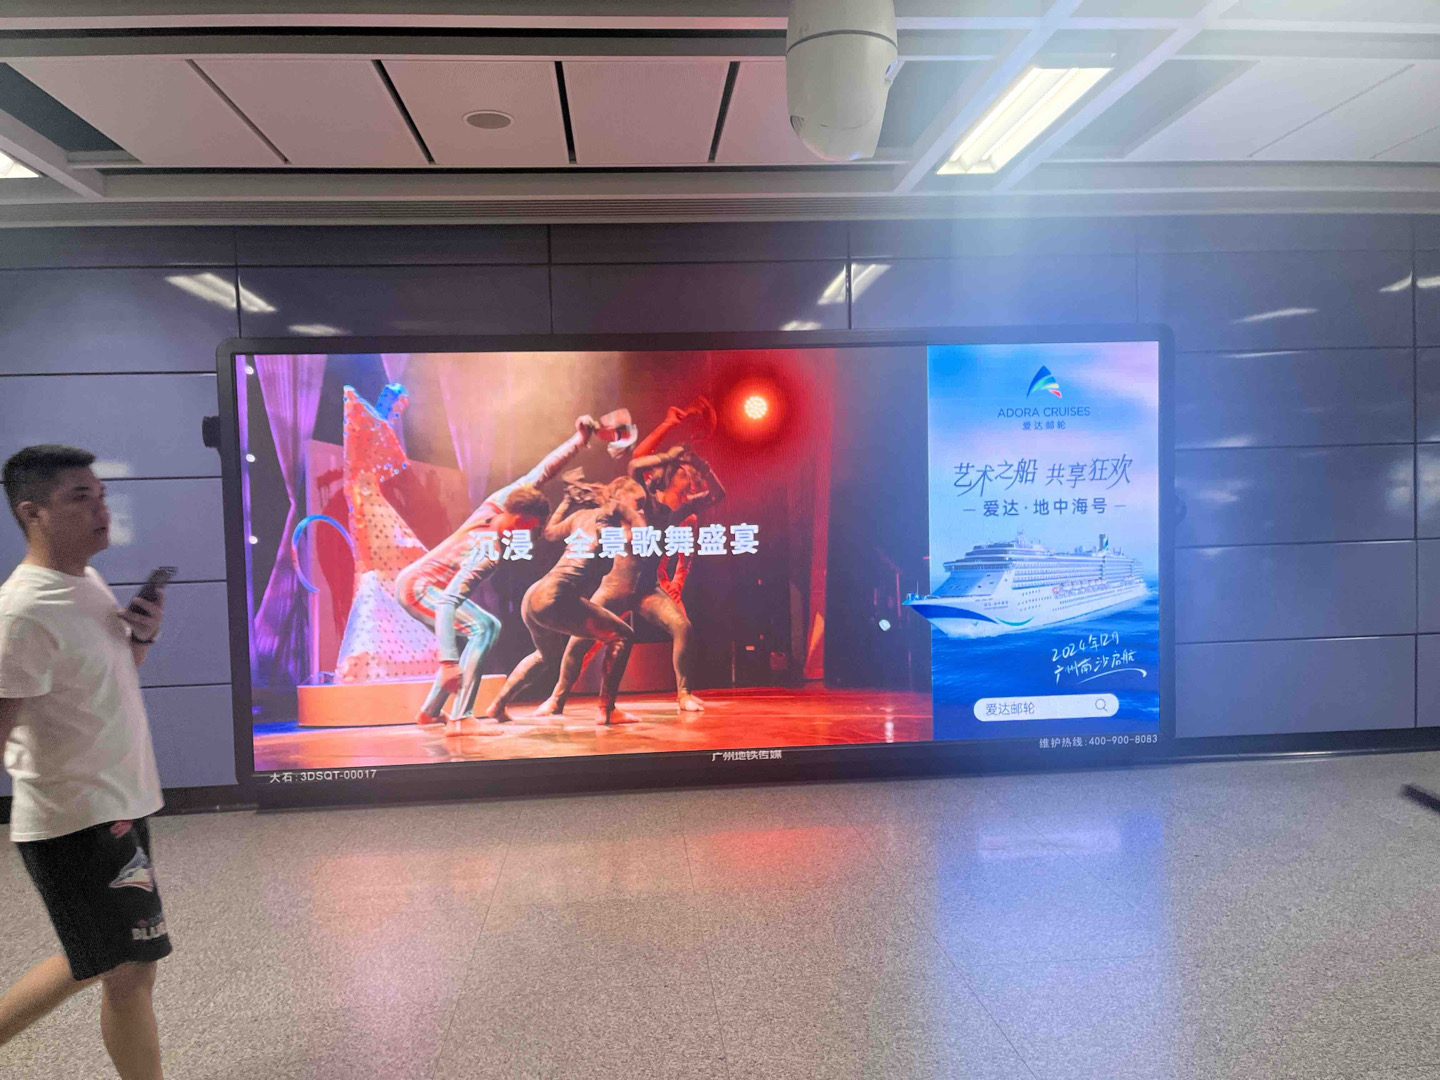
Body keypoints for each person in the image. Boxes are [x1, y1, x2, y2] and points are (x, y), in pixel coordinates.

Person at [0, 445, 169, 1080]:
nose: (102, 509)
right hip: (75, 818)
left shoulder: (85, 582)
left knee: (123, 966)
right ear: (32, 512)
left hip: (118, 802)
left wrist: (141, 636)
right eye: (80, 497)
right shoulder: (22, 611)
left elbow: (106, 681)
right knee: (112, 963)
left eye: (100, 495)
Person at [396, 414, 618, 734]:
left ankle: (431, 713)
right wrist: (447, 662)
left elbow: (541, 472)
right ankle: (461, 718)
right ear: (520, 521)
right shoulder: (488, 552)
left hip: (420, 583)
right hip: (419, 588)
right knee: (482, 629)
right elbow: (447, 602)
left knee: (489, 625)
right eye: (530, 529)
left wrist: (578, 442)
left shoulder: (500, 503)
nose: (529, 536)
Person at [537, 443, 725, 719]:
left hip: (647, 591)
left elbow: (718, 495)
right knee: (579, 642)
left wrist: (703, 467)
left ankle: (684, 694)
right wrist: (669, 456)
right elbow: (635, 466)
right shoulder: (642, 504)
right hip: (614, 588)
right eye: (682, 481)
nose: (687, 490)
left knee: (682, 627)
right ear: (664, 483)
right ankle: (557, 698)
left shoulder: (675, 514)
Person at [482, 474, 643, 728]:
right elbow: (638, 532)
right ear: (619, 499)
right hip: (555, 597)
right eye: (638, 503)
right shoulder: (610, 516)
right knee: (622, 636)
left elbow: (548, 532)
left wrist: (566, 502)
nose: (640, 508)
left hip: (534, 596)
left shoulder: (580, 517)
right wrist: (625, 516)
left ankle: (498, 705)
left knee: (546, 655)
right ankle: (607, 710)